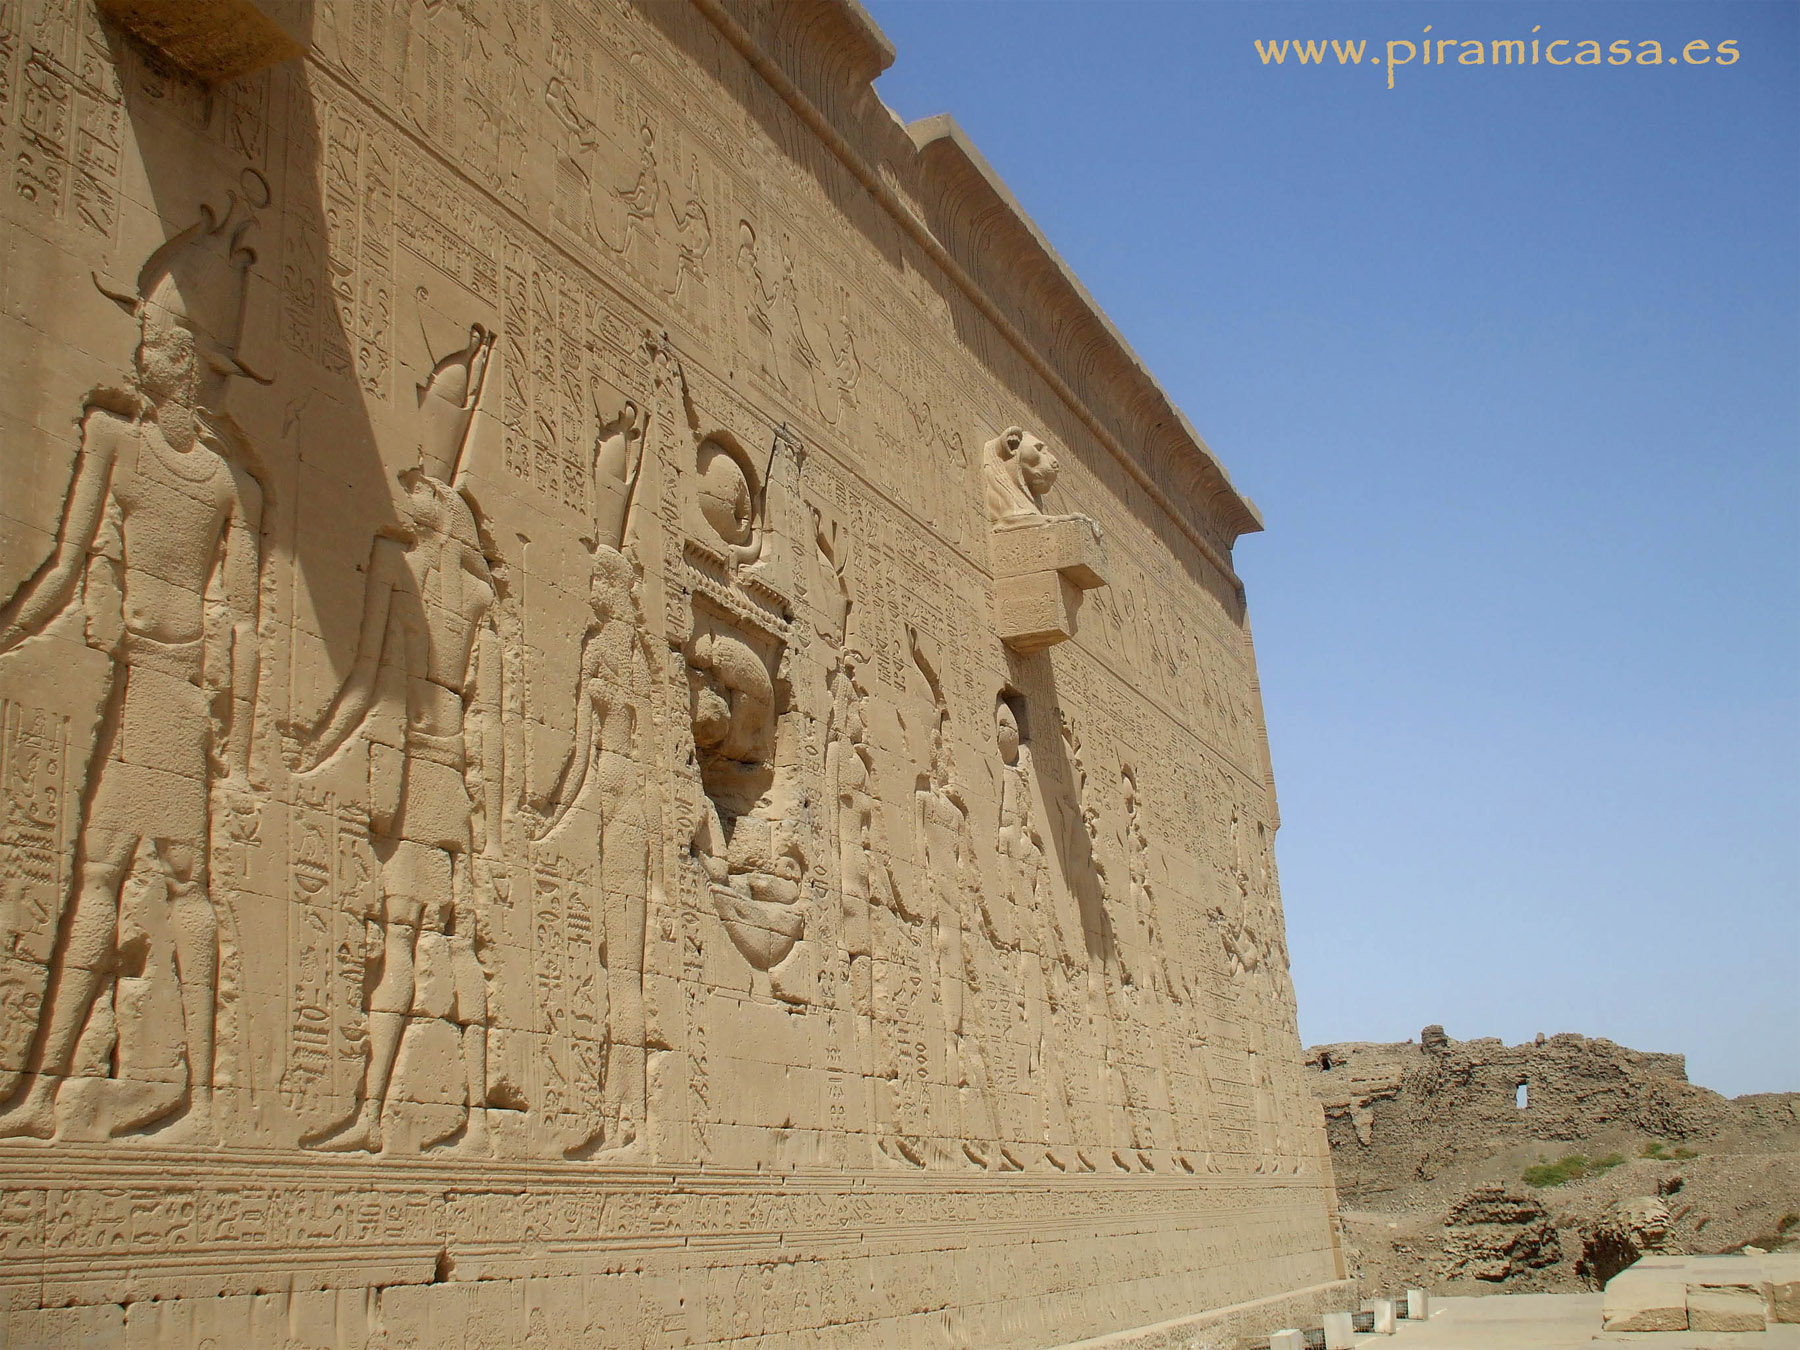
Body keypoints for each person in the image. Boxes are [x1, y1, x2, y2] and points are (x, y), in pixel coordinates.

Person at [0, 189, 268, 1141]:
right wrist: (15, 633)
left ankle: (199, 1100)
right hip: (146, 691)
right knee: (106, 873)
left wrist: (240, 758)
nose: (138, 352)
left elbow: (243, 626)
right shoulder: (117, 440)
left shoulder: (228, 484)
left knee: (165, 879)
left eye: (152, 339)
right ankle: (46, 1083)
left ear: (183, 360)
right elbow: (67, 568)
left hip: (176, 700)